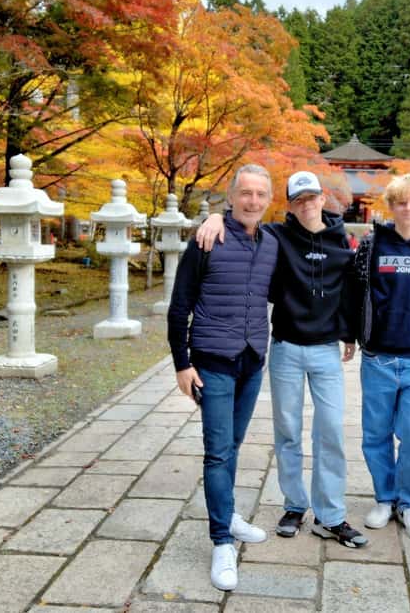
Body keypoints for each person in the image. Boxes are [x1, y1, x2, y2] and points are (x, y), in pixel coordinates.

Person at [196, 170, 368, 549]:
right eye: (298, 199)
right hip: (287, 347)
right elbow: (242, 223)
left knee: (331, 432)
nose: (307, 204)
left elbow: (351, 293)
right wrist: (213, 215)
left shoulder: (344, 242)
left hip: (326, 350)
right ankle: (294, 505)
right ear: (290, 204)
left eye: (312, 197)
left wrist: (350, 334)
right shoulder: (277, 236)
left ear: (323, 198)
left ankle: (331, 514)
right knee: (288, 431)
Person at [167, 164, 278, 591]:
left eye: (260, 194)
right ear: (231, 197)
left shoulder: (270, 242)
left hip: (251, 360)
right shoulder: (207, 238)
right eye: (245, 193)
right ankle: (220, 542)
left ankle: (227, 511)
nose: (252, 201)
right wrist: (182, 363)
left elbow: (310, 237)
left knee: (232, 445)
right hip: (212, 360)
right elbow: (180, 306)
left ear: (268, 200)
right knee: (216, 452)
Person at [353, 173, 410, 540]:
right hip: (377, 356)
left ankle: (409, 503)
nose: (408, 208)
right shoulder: (373, 244)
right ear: (391, 206)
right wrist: (352, 336)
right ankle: (384, 497)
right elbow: (355, 289)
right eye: (401, 202)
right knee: (375, 434)